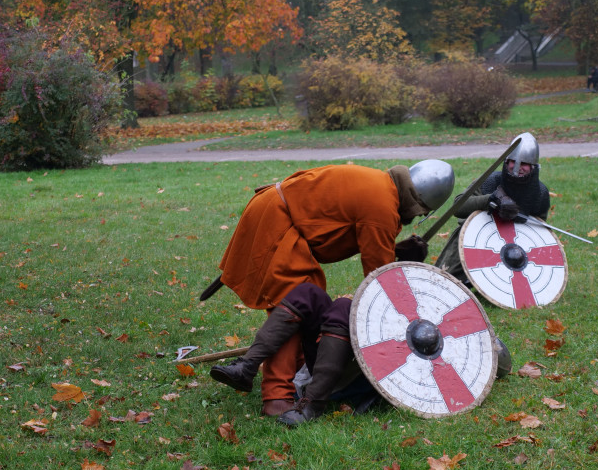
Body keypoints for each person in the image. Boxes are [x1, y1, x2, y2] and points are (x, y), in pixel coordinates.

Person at [213, 161, 455, 416]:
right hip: (277, 220)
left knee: (307, 294)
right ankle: (276, 398)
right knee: (294, 298)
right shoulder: (382, 205)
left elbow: (340, 229)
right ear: (416, 202)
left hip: (275, 211)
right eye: (419, 212)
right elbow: (379, 283)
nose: (414, 217)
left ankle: (270, 369)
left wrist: (397, 252)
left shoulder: (380, 186)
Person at [212, 282, 515, 426]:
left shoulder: (442, 368)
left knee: (343, 309)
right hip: (333, 355)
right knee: (310, 293)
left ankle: (311, 406)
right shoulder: (430, 321)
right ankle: (246, 368)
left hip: (348, 376)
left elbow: (397, 373)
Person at [435, 132, 550, 285]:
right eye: (512, 161)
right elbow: (458, 206)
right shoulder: (491, 181)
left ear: (533, 167)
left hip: (514, 248)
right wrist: (489, 199)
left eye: (523, 164)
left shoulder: (539, 193)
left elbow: (539, 232)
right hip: (475, 238)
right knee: (445, 281)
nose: (516, 167)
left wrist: (520, 219)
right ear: (506, 161)